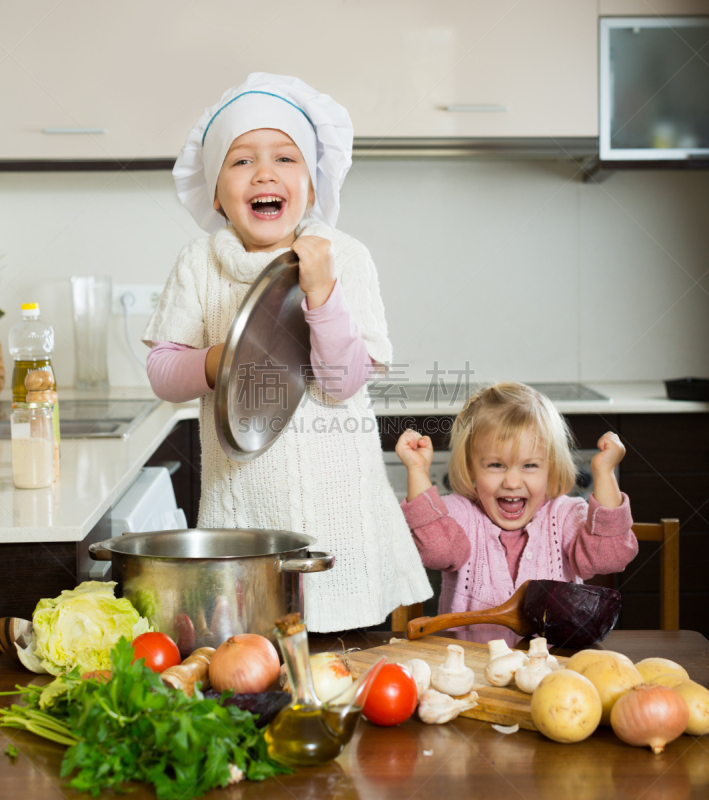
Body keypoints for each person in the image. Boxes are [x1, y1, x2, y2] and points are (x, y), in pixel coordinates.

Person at [143, 73, 432, 632]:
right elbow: (161, 370)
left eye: (285, 158)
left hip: (340, 508)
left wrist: (321, 291)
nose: (265, 173)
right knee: (254, 658)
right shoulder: (199, 264)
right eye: (241, 161)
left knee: (349, 656)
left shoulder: (344, 258)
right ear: (216, 192)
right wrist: (222, 360)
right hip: (244, 511)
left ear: (314, 185)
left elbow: (343, 381)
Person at [395, 382, 638, 644]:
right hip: (471, 670)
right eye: (496, 465)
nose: (512, 482)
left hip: (553, 670)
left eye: (530, 465)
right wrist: (417, 472)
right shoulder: (460, 514)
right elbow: (437, 551)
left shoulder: (567, 516)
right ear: (471, 469)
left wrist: (604, 473)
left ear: (551, 468)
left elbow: (608, 559)